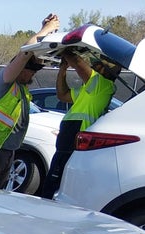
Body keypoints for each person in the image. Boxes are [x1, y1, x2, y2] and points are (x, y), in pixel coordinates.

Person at [0, 13, 61, 189]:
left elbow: (35, 55)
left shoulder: (21, 89)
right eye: (30, 71)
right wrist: (45, 30)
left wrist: (49, 33)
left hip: (5, 150)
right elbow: (24, 54)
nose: (33, 74)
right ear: (19, 68)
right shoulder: (3, 83)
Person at [39, 48, 121, 198]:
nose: (93, 66)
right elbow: (62, 95)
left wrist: (65, 50)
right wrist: (62, 69)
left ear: (104, 69)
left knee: (56, 180)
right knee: (56, 176)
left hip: (77, 133)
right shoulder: (91, 89)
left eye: (96, 65)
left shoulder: (102, 84)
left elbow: (77, 62)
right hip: (70, 133)